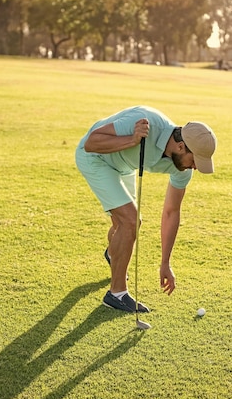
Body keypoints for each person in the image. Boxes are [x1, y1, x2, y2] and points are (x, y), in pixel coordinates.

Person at [75, 106, 217, 313]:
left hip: (124, 167)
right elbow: (91, 143)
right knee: (130, 221)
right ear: (180, 146)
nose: (195, 167)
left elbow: (171, 212)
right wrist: (131, 140)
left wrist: (165, 263)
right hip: (97, 159)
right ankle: (117, 294)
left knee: (122, 225)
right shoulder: (145, 121)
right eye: (195, 161)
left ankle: (113, 255)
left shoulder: (182, 169)